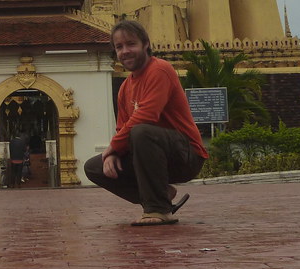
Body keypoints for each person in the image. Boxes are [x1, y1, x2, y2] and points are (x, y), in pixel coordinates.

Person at [84, 19, 208, 226]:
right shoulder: (125, 87)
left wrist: (112, 146)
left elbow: (147, 116)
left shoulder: (160, 70)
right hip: (149, 155)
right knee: (95, 167)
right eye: (119, 47)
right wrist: (113, 153)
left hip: (186, 156)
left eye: (131, 44)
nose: (125, 51)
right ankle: (161, 195)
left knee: (142, 131)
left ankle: (159, 210)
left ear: (146, 44)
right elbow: (122, 127)